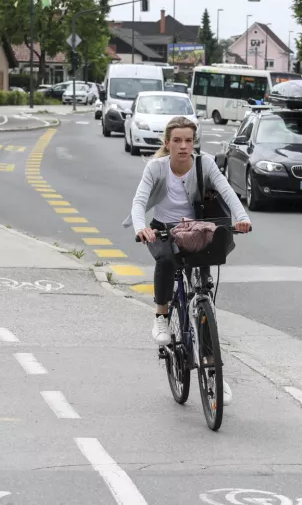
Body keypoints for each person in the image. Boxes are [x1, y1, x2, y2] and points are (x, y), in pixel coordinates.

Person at [125, 117, 252, 403]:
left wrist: (242, 217)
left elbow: (227, 190)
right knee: (166, 261)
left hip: (196, 229)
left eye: (189, 140)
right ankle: (161, 316)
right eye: (177, 140)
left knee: (204, 293)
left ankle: (214, 370)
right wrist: (141, 228)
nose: (184, 146)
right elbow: (139, 201)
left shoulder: (204, 163)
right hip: (162, 230)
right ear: (167, 143)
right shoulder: (156, 168)